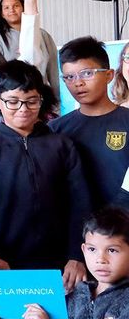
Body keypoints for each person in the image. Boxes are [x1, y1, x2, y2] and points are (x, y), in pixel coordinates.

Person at [0, 60, 91, 287]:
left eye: (31, 101)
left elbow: (80, 204)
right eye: (13, 102)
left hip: (59, 266)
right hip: (1, 264)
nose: (23, 109)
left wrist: (76, 256)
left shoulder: (61, 145)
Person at [51, 36, 129, 209]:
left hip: (122, 225)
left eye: (87, 73)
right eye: (69, 77)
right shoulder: (55, 130)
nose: (78, 83)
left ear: (109, 75)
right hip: (76, 228)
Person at [0, 0, 60, 89]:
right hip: (10, 95)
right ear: (1, 14)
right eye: (6, 8)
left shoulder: (43, 35)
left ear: (24, 7)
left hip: (41, 93)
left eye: (16, 6)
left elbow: (54, 69)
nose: (12, 10)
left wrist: (58, 100)